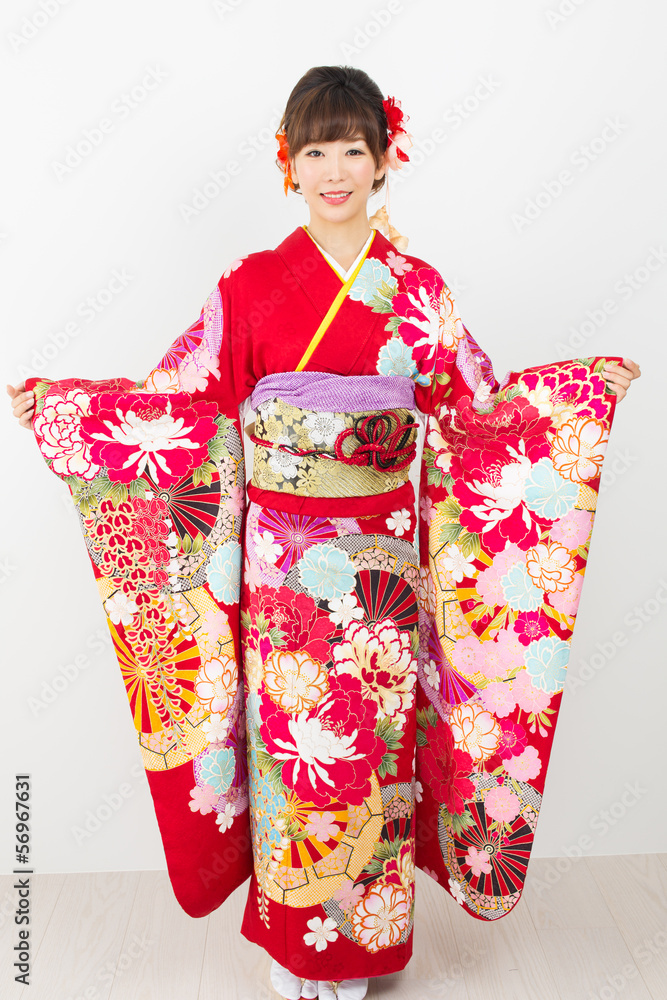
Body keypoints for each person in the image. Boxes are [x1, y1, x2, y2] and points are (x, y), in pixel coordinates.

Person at [7, 65, 640, 1000]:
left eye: (353, 148)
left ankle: (365, 942)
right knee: (293, 751)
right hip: (281, 581)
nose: (334, 168)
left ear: (386, 158)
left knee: (371, 750)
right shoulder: (250, 288)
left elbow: (479, 418)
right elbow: (176, 407)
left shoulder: (417, 292)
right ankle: (294, 943)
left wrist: (575, 398)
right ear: (287, 163)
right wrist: (72, 412)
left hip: (382, 572)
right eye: (315, 149)